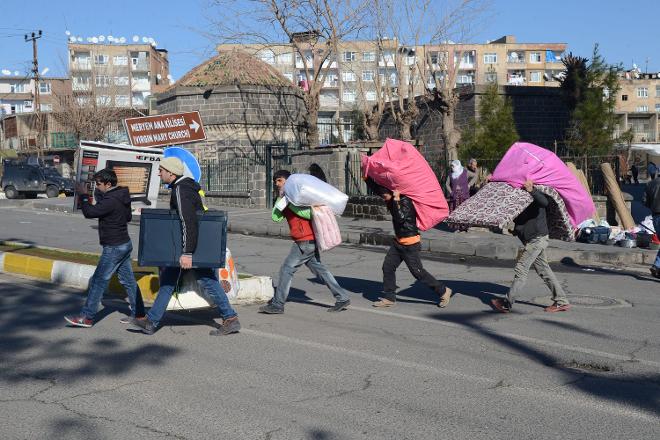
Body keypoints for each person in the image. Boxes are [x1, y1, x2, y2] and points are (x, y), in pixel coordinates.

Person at [130, 157, 240, 335]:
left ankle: (230, 318)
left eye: (161, 170)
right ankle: (151, 322)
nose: (159, 173)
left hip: (190, 247)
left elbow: (188, 222)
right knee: (169, 282)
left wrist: (188, 252)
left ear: (171, 173)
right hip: (188, 246)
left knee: (207, 281)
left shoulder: (181, 189)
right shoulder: (183, 187)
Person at [258, 170, 351, 314]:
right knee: (320, 270)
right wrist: (282, 198)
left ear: (289, 181)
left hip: (305, 240)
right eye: (275, 181)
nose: (277, 184)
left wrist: (292, 203)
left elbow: (308, 214)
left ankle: (277, 304)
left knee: (286, 269)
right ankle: (342, 297)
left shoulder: (299, 199)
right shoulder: (287, 198)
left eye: (280, 181)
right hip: (304, 239)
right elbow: (276, 217)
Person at [65, 169, 145, 327]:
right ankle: (140, 315)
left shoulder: (110, 200)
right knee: (128, 281)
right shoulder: (122, 195)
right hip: (124, 243)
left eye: (99, 184)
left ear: (108, 184)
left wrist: (83, 195)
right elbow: (128, 217)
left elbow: (89, 212)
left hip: (114, 246)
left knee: (98, 281)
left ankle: (87, 317)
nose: (97, 186)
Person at [368, 179, 452, 308]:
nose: (384, 199)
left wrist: (396, 200)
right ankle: (389, 297)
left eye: (385, 196)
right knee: (388, 267)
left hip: (410, 243)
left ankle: (443, 291)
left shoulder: (405, 200)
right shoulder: (391, 199)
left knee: (418, 272)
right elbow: (378, 187)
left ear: (392, 193)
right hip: (398, 242)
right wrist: (366, 177)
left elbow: (400, 218)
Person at [491, 180, 571, 313]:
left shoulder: (535, 189)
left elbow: (544, 202)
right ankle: (561, 301)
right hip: (532, 239)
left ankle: (507, 303)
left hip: (537, 238)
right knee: (544, 270)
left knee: (521, 268)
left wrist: (532, 190)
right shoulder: (518, 193)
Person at [643, 175, 660, 278]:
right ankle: (657, 265)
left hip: (656, 216)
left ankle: (657, 265)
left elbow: (645, 201)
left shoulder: (651, 183)